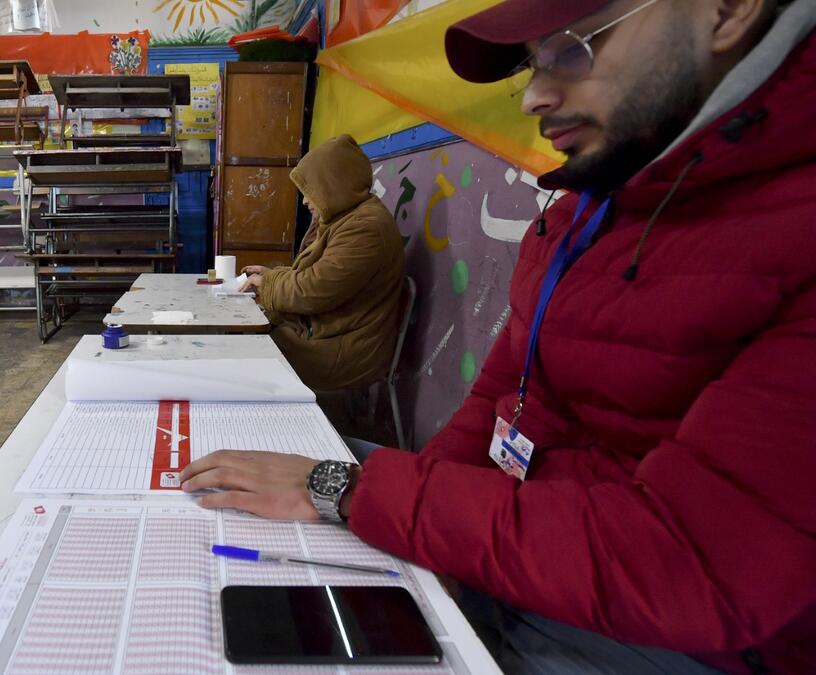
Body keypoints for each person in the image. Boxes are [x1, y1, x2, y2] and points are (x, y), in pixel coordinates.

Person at [181, 0, 816, 673]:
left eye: (573, 48)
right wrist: (421, 526)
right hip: (525, 539)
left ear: (729, 9)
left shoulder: (787, 226)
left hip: (673, 632)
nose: (537, 96)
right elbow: (500, 404)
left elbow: (693, 566)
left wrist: (353, 491)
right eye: (532, 63)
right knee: (231, 486)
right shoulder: (589, 211)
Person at [237, 134, 405, 392]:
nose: (305, 200)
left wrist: (270, 284)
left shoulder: (365, 229)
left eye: (309, 191)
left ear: (333, 184)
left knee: (247, 357)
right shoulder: (344, 217)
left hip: (342, 350)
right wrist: (271, 276)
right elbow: (317, 275)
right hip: (325, 333)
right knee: (245, 342)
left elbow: (314, 290)